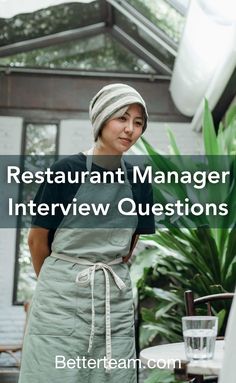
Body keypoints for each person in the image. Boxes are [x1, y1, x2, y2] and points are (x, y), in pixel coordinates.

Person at [18, 83, 155, 383]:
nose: (130, 129)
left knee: (110, 374)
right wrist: (60, 282)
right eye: (121, 118)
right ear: (101, 119)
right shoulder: (64, 171)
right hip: (59, 300)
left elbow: (129, 246)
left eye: (138, 122)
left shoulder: (140, 181)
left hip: (112, 297)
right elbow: (37, 240)